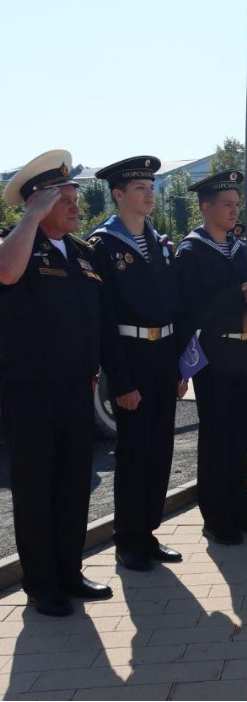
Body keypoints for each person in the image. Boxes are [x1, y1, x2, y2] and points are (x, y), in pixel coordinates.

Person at [0, 150, 113, 616]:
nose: (75, 205)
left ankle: (69, 570)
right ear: (38, 203)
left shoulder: (83, 254)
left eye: (73, 197)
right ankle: (40, 582)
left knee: (71, 484)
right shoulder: (18, 242)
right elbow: (7, 272)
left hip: (75, 390)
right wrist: (28, 217)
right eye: (63, 198)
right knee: (35, 488)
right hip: (29, 392)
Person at [88, 156, 184, 571]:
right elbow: (105, 323)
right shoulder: (103, 246)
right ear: (118, 195)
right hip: (131, 358)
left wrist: (180, 367)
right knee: (133, 454)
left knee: (161, 450)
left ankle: (148, 532)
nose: (149, 194)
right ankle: (127, 538)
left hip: (164, 356)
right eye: (140, 188)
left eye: (151, 186)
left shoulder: (160, 243)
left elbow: (174, 307)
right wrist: (121, 381)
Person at [176, 169, 247, 544]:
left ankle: (240, 507)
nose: (234, 211)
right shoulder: (191, 252)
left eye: (237, 205)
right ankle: (215, 517)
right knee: (216, 436)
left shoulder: (242, 250)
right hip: (214, 352)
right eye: (227, 205)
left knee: (239, 433)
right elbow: (189, 308)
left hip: (245, 350)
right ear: (206, 207)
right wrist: (240, 304)